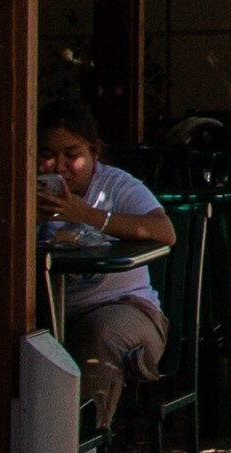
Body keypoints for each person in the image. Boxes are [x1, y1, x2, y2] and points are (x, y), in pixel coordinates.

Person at [35, 101, 177, 424]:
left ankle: (84, 447)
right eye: (47, 155)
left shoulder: (116, 185)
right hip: (50, 310)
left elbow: (164, 231)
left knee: (97, 336)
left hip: (125, 308)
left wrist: (86, 215)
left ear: (94, 152)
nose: (59, 166)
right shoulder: (26, 192)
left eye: (72, 155)